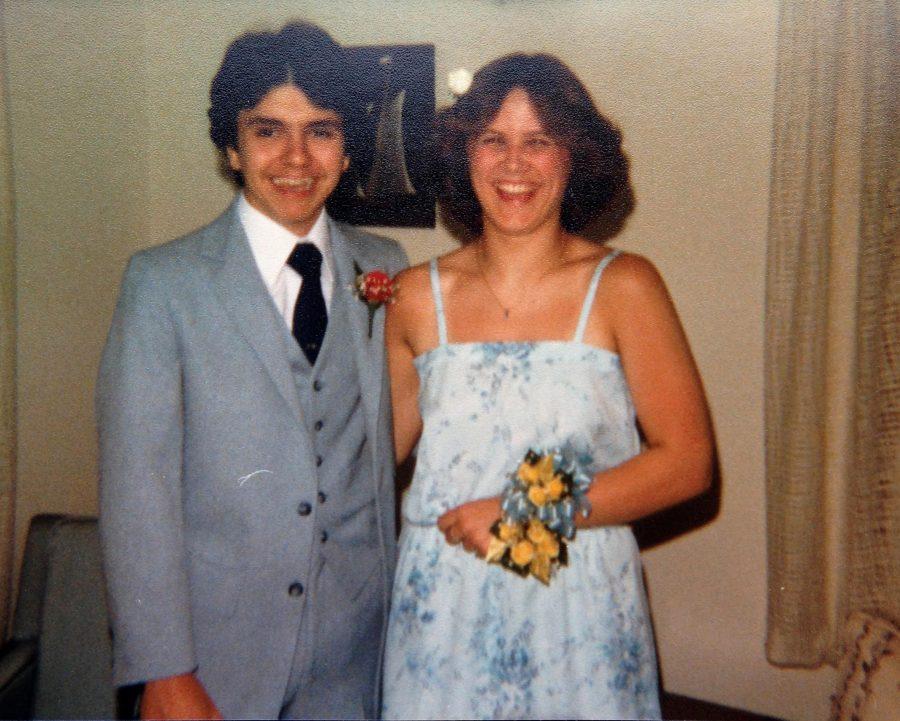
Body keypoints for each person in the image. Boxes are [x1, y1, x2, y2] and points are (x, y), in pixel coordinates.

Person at [382, 53, 714, 719]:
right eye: (493, 140)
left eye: (540, 141)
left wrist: (526, 510)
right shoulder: (415, 296)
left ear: (574, 158)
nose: (514, 165)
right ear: (463, 153)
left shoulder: (625, 286)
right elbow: (365, 460)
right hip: (443, 607)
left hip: (577, 605)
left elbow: (686, 463)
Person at [97, 21, 407, 720]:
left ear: (347, 146)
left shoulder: (386, 266)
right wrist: (163, 671)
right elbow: (134, 493)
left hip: (358, 655)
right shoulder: (162, 283)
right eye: (269, 130)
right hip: (215, 661)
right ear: (232, 147)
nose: (297, 156)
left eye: (321, 130)